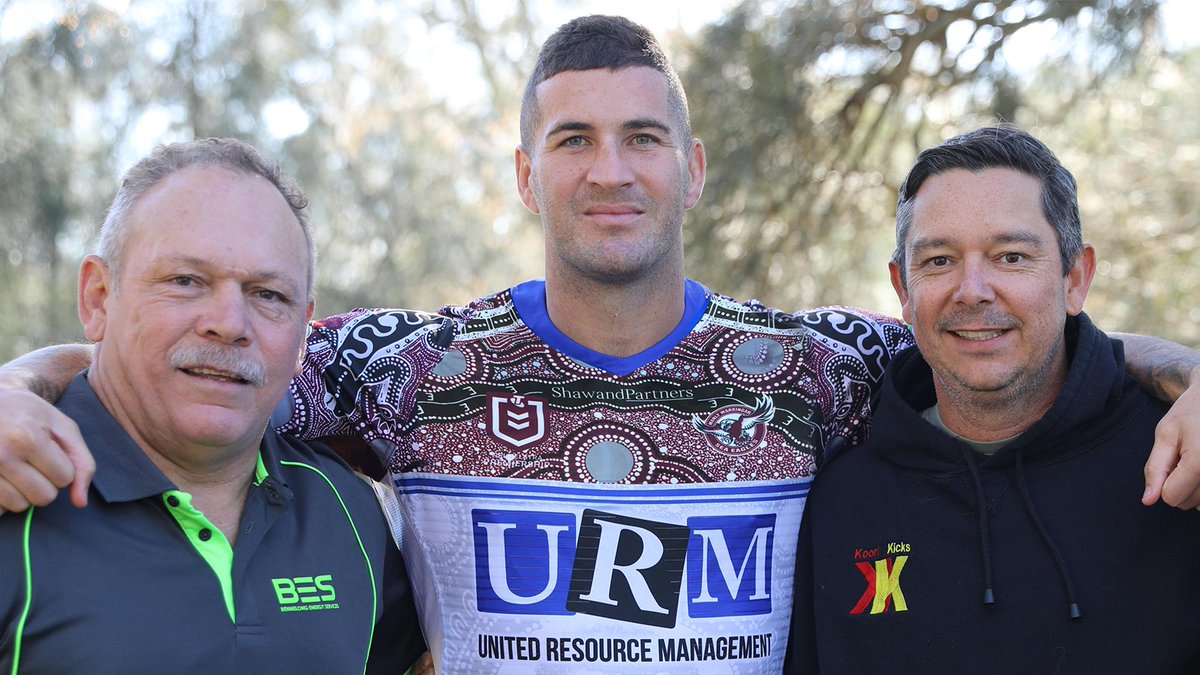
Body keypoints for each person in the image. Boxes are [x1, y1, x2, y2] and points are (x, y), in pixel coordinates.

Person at [1, 15, 1199, 674]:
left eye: (643, 138)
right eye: (573, 140)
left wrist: (1187, 373)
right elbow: (205, 355)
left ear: (693, 168)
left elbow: (1002, 345)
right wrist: (20, 381)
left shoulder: (818, 366)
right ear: (528, 175)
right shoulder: (407, 370)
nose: (610, 170)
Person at [0, 139, 424, 673]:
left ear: (303, 335)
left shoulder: (349, 515)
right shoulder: (15, 486)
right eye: (185, 281)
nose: (228, 323)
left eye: (268, 294)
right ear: (98, 298)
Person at [787, 126, 1200, 672]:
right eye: (939, 260)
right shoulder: (842, 501)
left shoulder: (1179, 460)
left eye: (1011, 256)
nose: (973, 291)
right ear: (903, 290)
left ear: (1075, 278)